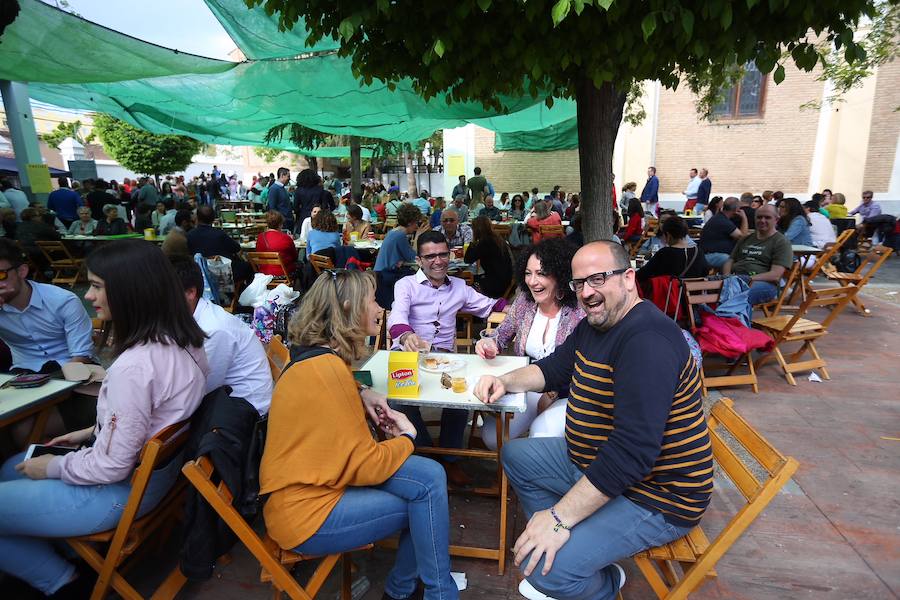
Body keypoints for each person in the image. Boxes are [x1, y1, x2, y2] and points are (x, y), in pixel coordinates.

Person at [474, 241, 711, 600]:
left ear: (629, 278)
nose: (587, 292)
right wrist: (505, 381)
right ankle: (562, 544)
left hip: (657, 494)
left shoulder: (647, 341)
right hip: (591, 461)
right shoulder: (597, 326)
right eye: (579, 283)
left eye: (598, 279)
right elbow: (555, 368)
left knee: (544, 572)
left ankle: (601, 581)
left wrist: (558, 518)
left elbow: (632, 454)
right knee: (515, 456)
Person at [0, 240, 208, 598]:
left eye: (96, 286)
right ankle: (66, 554)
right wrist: (88, 433)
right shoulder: (185, 340)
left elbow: (111, 466)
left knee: (23, 465)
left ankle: (63, 582)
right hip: (151, 483)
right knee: (12, 467)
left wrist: (53, 467)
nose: (88, 296)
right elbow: (153, 417)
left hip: (117, 494)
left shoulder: (135, 365)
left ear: (130, 291)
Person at [261, 269, 457, 600]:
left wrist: (362, 390)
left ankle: (408, 591)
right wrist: (407, 439)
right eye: (373, 300)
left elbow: (332, 396)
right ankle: (430, 593)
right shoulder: (329, 370)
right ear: (351, 308)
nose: (381, 308)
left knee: (431, 476)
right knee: (425, 498)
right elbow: (366, 466)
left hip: (307, 488)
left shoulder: (315, 358)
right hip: (308, 515)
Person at [387, 231, 507, 486]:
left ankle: (450, 459)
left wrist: (522, 307)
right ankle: (429, 452)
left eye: (443, 254)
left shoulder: (460, 287)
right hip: (408, 354)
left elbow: (490, 306)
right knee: (399, 399)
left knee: (461, 399)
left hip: (445, 359)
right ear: (419, 260)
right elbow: (397, 317)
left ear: (450, 255)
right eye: (430, 256)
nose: (438, 261)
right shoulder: (406, 285)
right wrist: (406, 333)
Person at [475, 239, 584, 450]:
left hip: (569, 391)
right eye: (528, 273)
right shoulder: (525, 301)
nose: (532, 281)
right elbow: (501, 335)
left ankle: (538, 476)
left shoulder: (578, 309)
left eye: (541, 273)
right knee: (492, 438)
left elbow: (581, 362)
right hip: (530, 383)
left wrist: (551, 394)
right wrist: (489, 343)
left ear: (560, 274)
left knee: (540, 436)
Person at [171, 255, 272, 415]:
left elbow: (196, 393)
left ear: (191, 292)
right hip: (229, 404)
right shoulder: (200, 317)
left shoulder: (213, 330)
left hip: (248, 417)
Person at [722, 205, 793, 305]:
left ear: (776, 220)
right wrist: (726, 277)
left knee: (736, 295)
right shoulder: (746, 238)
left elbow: (775, 275)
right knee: (704, 291)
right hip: (736, 279)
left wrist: (748, 279)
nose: (762, 220)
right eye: (759, 217)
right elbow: (730, 260)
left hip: (764, 284)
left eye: (767, 217)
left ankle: (732, 319)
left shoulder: (781, 242)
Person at [187, 205, 253, 282]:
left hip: (201, 274)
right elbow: (237, 249)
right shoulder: (220, 234)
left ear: (197, 218)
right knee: (248, 266)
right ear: (213, 219)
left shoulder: (189, 235)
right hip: (224, 274)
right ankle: (244, 291)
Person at [374, 204, 421, 309]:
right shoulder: (400, 236)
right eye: (416, 223)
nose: (417, 226)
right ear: (410, 222)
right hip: (387, 277)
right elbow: (413, 257)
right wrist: (418, 237)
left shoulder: (393, 232)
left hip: (381, 275)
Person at [636, 216, 709, 283]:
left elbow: (641, 275)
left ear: (668, 235)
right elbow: (705, 273)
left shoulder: (665, 253)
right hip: (693, 295)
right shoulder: (698, 252)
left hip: (669, 295)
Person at [464, 216, 513, 298]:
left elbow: (468, 259)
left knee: (466, 281)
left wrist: (473, 241)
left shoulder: (484, 243)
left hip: (495, 284)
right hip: (505, 280)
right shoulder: (497, 239)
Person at [699, 197, 749, 269]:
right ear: (736, 210)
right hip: (710, 256)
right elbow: (742, 237)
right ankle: (728, 278)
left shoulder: (720, 217)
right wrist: (744, 218)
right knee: (735, 262)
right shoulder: (723, 221)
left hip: (709, 254)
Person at [256, 210, 299, 277]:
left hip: (264, 274)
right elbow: (295, 257)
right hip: (283, 274)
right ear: (280, 224)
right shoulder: (286, 238)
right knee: (301, 265)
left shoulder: (260, 237)